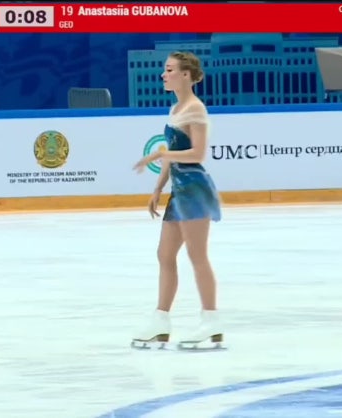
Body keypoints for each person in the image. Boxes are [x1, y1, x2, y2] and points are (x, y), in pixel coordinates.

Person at [131, 51, 223, 349]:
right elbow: (172, 153)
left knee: (197, 256)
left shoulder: (196, 108)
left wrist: (159, 154)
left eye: (169, 70)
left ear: (186, 74)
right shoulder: (175, 108)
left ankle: (211, 320)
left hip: (194, 188)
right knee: (165, 254)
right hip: (179, 190)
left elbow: (197, 153)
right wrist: (158, 188)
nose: (163, 75)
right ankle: (161, 320)